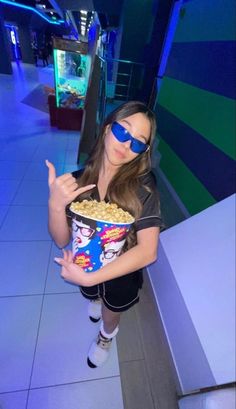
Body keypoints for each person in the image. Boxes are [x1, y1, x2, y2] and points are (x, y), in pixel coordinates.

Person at [46, 100, 163, 368]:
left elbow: (148, 250)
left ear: (142, 152)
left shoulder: (143, 186)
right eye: (123, 132)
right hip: (87, 261)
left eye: (137, 143)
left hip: (122, 269)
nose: (126, 145)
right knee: (94, 296)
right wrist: (55, 205)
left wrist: (91, 277)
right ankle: (96, 296)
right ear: (108, 128)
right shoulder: (78, 182)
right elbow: (62, 240)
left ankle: (106, 336)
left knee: (112, 312)